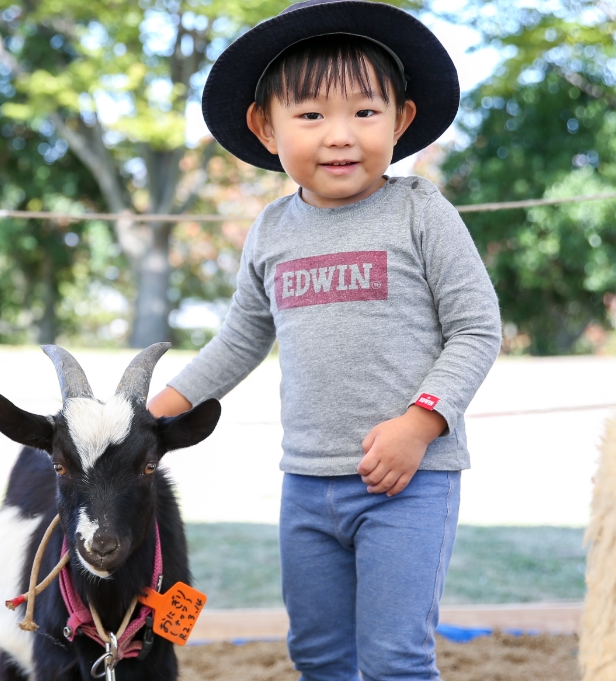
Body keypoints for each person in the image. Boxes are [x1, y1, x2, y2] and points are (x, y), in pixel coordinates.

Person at [145, 1, 502, 679]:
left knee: (395, 657)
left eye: (365, 113)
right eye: (310, 116)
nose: (340, 135)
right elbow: (240, 340)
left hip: (409, 482)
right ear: (266, 128)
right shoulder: (272, 231)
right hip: (306, 485)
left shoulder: (419, 210)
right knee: (318, 653)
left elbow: (477, 327)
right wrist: (149, 413)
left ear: (401, 120)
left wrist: (420, 423)